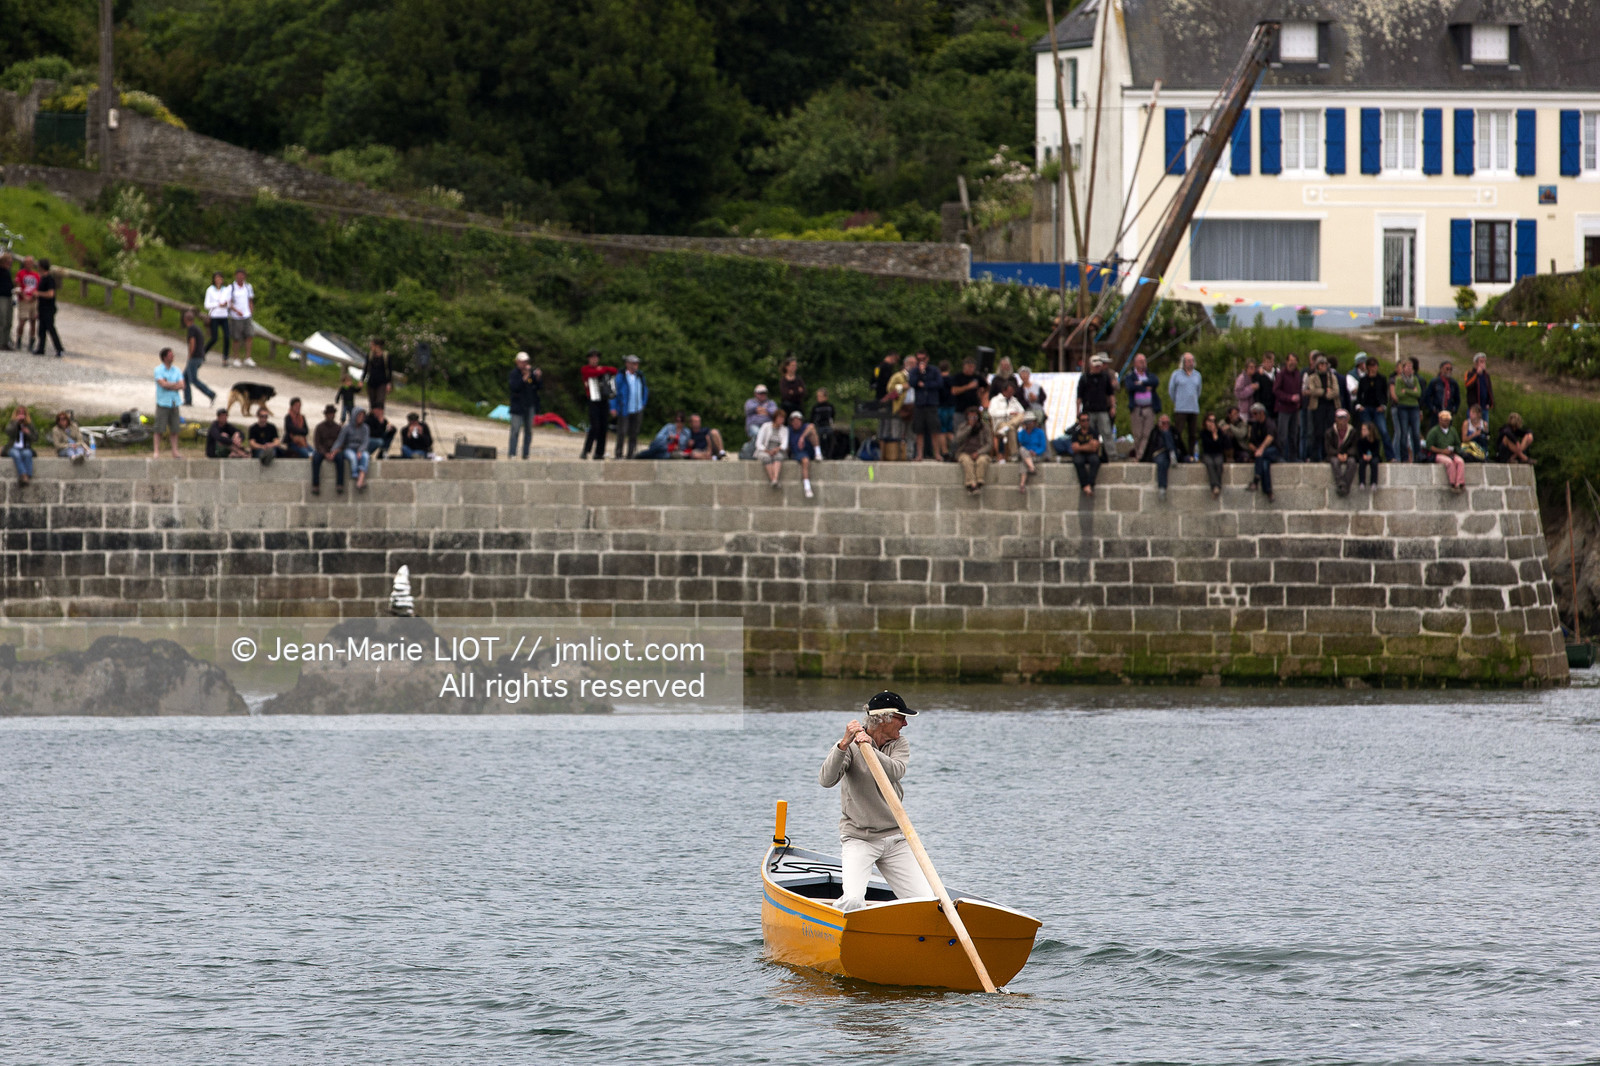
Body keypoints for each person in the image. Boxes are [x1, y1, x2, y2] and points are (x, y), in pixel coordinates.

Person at [817, 692, 933, 913]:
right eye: (901, 718)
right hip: (860, 839)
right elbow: (826, 780)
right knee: (852, 901)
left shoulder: (900, 743)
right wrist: (843, 745)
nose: (906, 723)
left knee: (925, 903)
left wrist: (869, 748)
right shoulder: (850, 747)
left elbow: (896, 771)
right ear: (884, 719)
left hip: (896, 838)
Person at [1353, 356, 1395, 460]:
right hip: (1366, 408)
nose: (1373, 368)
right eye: (1371, 366)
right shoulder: (1363, 380)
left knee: (1383, 431)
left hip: (1377, 409)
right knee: (1366, 431)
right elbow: (1359, 395)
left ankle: (1390, 456)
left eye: (1375, 365)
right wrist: (1359, 406)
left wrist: (1383, 406)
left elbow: (1385, 395)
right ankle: (1364, 454)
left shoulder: (1381, 379)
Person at [1122, 353, 1161, 462]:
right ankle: (1137, 453)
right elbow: (1130, 386)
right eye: (1140, 361)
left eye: (1144, 361)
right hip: (1137, 409)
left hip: (1149, 408)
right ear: (1135, 363)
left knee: (1147, 434)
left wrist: (1140, 383)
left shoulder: (1150, 375)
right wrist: (1145, 386)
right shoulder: (1130, 376)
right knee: (1137, 434)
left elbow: (1155, 382)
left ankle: (1140, 455)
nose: (1143, 363)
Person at [1077, 354, 1117, 459]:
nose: (1098, 367)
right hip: (1088, 410)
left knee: (1107, 432)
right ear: (1090, 365)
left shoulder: (1105, 377)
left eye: (1099, 365)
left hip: (1102, 409)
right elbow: (1079, 396)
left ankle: (1112, 455)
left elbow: (1110, 394)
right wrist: (1078, 411)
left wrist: (1113, 407)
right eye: (1095, 366)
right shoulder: (1084, 378)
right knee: (1090, 433)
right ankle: (1091, 453)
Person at [580, 350, 618, 460]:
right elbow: (591, 374)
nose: (594, 359)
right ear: (589, 359)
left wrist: (602, 369)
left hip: (603, 400)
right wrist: (601, 370)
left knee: (603, 427)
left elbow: (614, 370)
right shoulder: (585, 369)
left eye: (596, 358)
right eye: (592, 358)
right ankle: (586, 450)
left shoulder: (602, 368)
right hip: (593, 400)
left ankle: (599, 452)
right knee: (595, 426)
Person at [907, 351, 943, 462]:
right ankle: (919, 455)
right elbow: (912, 382)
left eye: (923, 359)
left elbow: (939, 384)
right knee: (919, 431)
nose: (921, 361)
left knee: (934, 430)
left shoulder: (934, 370)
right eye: (919, 359)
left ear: (927, 358)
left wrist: (925, 384)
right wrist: (919, 373)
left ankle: (937, 453)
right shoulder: (914, 371)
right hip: (919, 404)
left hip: (931, 404)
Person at [612, 354, 648, 459]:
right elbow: (614, 393)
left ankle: (630, 454)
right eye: (633, 363)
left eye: (636, 364)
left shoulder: (640, 376)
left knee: (634, 433)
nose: (635, 366)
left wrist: (643, 403)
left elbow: (645, 390)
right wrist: (613, 407)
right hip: (625, 409)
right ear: (627, 364)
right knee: (622, 432)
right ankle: (618, 453)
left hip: (637, 408)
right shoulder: (621, 376)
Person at [507, 352, 541, 460]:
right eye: (521, 361)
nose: (524, 364)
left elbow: (538, 387)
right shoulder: (514, 374)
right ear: (517, 362)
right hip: (517, 406)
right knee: (515, 430)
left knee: (528, 430)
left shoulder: (531, 374)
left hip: (529, 405)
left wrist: (538, 377)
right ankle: (512, 453)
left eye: (525, 361)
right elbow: (514, 387)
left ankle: (525, 453)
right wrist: (524, 378)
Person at [1302, 353, 1336, 462]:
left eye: (1325, 364)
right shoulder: (1312, 377)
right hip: (1317, 407)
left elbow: (1336, 391)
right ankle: (1315, 455)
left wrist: (1326, 394)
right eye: (1321, 364)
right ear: (1317, 366)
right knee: (1318, 432)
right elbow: (1312, 390)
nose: (1323, 366)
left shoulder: (1331, 376)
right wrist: (1325, 391)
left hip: (1330, 407)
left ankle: (1328, 454)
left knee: (1329, 432)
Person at [153, 346, 185, 459]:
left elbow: (182, 385)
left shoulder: (177, 370)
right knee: (159, 428)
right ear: (165, 357)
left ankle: (175, 451)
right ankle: (156, 451)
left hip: (174, 402)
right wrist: (174, 385)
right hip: (163, 402)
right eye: (170, 355)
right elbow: (162, 384)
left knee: (175, 429)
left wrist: (169, 384)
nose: (173, 357)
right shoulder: (158, 369)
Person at [1141, 412, 1184, 496]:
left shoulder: (1173, 431)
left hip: (1174, 453)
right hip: (1160, 452)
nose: (1166, 425)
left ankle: (1171, 453)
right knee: (1162, 462)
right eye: (1164, 423)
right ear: (1159, 423)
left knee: (1167, 434)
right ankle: (1162, 487)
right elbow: (1149, 446)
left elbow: (1180, 444)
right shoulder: (1155, 432)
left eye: (1168, 423)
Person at [1167, 351, 1202, 454]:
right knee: (1178, 432)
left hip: (1193, 408)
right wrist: (1177, 401)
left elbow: (1199, 391)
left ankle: (1191, 454)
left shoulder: (1197, 375)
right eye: (1188, 361)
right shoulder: (1176, 374)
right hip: (1180, 408)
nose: (1191, 363)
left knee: (1192, 433)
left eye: (1192, 360)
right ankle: (1178, 452)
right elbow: (1171, 390)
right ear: (1183, 362)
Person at [1390, 357, 1424, 463]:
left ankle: (1418, 456)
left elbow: (1418, 393)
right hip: (1403, 407)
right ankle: (1403, 457)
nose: (1409, 369)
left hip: (1414, 407)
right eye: (1407, 367)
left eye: (1411, 367)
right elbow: (1398, 394)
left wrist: (1407, 391)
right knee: (1403, 432)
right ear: (1403, 368)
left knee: (1415, 432)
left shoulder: (1415, 379)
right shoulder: (1399, 380)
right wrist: (1411, 391)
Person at [952, 406, 992, 494]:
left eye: (975, 417)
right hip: (964, 452)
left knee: (982, 461)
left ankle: (979, 481)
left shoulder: (984, 427)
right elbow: (957, 439)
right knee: (966, 461)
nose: (973, 419)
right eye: (970, 417)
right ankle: (972, 484)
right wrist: (969, 428)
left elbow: (989, 444)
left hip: (980, 452)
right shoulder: (963, 426)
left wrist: (978, 452)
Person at [1271, 353, 1302, 463]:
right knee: (1282, 435)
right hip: (1283, 408)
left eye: (1294, 360)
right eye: (1291, 360)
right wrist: (1289, 398)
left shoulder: (1298, 374)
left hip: (1294, 409)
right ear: (1287, 361)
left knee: (1294, 434)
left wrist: (1299, 400)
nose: (1292, 363)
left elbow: (1299, 389)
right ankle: (1280, 456)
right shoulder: (1281, 374)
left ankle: (1293, 457)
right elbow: (1276, 390)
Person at [1425, 410, 1466, 492]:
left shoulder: (1452, 431)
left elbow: (1458, 444)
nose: (1446, 422)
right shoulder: (1434, 431)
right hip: (1439, 453)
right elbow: (1429, 446)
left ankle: (1460, 482)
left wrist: (1454, 450)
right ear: (1440, 420)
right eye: (1444, 420)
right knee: (1449, 462)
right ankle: (1453, 483)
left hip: (1451, 453)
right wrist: (1442, 451)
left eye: (1448, 420)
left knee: (1460, 461)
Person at [181, 308, 215, 407]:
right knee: (185, 378)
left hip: (194, 357)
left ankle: (210, 394)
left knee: (193, 379)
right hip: (200, 356)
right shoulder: (197, 328)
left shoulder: (191, 329)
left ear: (185, 319)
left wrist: (190, 355)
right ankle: (188, 400)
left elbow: (192, 342)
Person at [987, 379, 1026, 461]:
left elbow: (1022, 412)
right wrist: (1007, 413)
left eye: (1012, 391)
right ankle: (1014, 454)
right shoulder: (995, 400)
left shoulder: (1014, 400)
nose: (1011, 393)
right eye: (1009, 391)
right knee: (1011, 429)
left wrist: (1015, 415)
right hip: (1000, 424)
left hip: (1012, 423)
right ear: (1004, 390)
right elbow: (992, 413)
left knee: (1020, 416)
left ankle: (1007, 427)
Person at [784, 410, 820, 499]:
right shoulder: (789, 430)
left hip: (809, 449)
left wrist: (802, 437)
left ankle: (818, 453)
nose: (796, 423)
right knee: (805, 461)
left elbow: (812, 427)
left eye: (798, 420)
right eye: (794, 421)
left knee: (813, 434)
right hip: (799, 453)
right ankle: (807, 487)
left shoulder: (805, 427)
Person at [1246, 402, 1278, 503]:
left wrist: (1261, 448)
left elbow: (1270, 437)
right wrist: (1255, 449)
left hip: (1272, 450)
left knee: (1262, 455)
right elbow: (1250, 442)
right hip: (1261, 454)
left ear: (1262, 413)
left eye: (1256, 413)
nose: (1254, 416)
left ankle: (1256, 479)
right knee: (1264, 464)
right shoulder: (1255, 425)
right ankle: (1268, 491)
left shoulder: (1269, 423)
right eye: (1253, 414)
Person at [311, 405, 345, 494]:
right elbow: (317, 443)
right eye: (329, 414)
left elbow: (341, 442)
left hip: (334, 451)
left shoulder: (338, 428)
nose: (331, 416)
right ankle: (315, 484)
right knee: (316, 459)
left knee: (340, 459)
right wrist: (325, 453)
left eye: (332, 414)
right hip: (322, 450)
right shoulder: (320, 427)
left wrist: (334, 452)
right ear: (325, 415)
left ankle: (340, 484)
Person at [335, 408, 372, 489]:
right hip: (349, 448)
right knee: (352, 457)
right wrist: (334, 450)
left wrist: (360, 450)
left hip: (360, 449)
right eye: (359, 415)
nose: (361, 418)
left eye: (362, 416)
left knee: (365, 456)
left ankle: (361, 479)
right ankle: (355, 475)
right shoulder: (347, 428)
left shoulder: (365, 428)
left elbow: (365, 441)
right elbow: (340, 440)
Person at [1421, 360, 1461, 435]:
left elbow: (1457, 398)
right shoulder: (1435, 382)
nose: (1449, 371)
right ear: (1441, 369)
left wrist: (1454, 409)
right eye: (1447, 369)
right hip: (1437, 411)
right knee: (1434, 432)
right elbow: (1427, 396)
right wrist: (1432, 408)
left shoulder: (1453, 383)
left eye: (1450, 369)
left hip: (1448, 412)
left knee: (1447, 432)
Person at [1067, 412, 1103, 495]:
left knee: (1095, 461)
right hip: (1080, 454)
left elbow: (1094, 447)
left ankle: (1090, 484)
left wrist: (1081, 447)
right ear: (1079, 422)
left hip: (1091, 454)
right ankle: (1085, 485)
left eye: (1087, 420)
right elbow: (1075, 448)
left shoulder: (1093, 432)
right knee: (1078, 461)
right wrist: (1088, 446)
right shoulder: (1076, 433)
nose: (1086, 422)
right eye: (1083, 420)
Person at [1325, 409, 1358, 497]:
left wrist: (1347, 454)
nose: (1342, 420)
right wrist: (1337, 454)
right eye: (1340, 418)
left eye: (1344, 418)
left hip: (1347, 455)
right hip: (1335, 455)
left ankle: (1343, 485)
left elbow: (1354, 447)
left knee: (1352, 462)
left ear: (1347, 419)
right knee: (1335, 462)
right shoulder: (1330, 432)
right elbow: (1328, 448)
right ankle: (1342, 484)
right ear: (1336, 419)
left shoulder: (1352, 431)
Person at [33, 259, 62, 357]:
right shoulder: (42, 278)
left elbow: (51, 294)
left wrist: (38, 294)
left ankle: (59, 349)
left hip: (48, 308)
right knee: (41, 329)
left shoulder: (49, 279)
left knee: (51, 328)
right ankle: (41, 348)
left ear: (41, 266)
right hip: (42, 307)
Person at [227, 269, 256, 367]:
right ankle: (236, 357)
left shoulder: (248, 287)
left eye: (242, 275)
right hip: (236, 317)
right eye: (239, 275)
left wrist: (251, 311)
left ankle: (248, 357)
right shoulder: (231, 288)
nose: (240, 277)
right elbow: (229, 302)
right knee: (236, 338)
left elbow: (250, 300)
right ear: (236, 276)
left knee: (249, 335)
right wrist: (236, 310)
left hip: (247, 315)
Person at [881, 363, 910, 461]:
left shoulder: (916, 375)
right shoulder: (898, 376)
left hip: (912, 408)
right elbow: (890, 389)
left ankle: (906, 454)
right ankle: (895, 454)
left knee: (908, 432)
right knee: (896, 430)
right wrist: (902, 387)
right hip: (899, 407)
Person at [754, 412, 789, 489]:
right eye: (780, 418)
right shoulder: (765, 426)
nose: (781, 420)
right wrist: (767, 451)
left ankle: (775, 478)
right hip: (765, 450)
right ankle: (772, 479)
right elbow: (758, 443)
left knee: (778, 457)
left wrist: (777, 449)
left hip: (777, 451)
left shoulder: (784, 429)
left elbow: (784, 444)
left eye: (783, 418)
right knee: (766, 458)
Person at [1197, 412, 1228, 497]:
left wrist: (1215, 435)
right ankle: (1215, 486)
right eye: (1210, 421)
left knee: (1218, 463)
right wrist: (1213, 437)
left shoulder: (1219, 432)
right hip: (1208, 453)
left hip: (1217, 453)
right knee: (1210, 464)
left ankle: (1216, 486)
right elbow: (1207, 445)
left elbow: (1220, 445)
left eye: (1213, 421)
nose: (1212, 423)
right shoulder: (1203, 433)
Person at [203, 272, 231, 361]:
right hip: (215, 316)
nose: (218, 280)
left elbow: (229, 302)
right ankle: (203, 351)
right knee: (214, 338)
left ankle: (225, 357)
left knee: (227, 336)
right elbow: (206, 305)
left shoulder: (226, 290)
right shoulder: (210, 290)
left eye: (220, 278)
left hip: (224, 315)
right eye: (217, 278)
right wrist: (218, 304)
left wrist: (226, 304)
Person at [6, 405, 36, 486]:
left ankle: (27, 475)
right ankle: (24, 475)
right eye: (19, 413)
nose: (21, 415)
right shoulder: (12, 423)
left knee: (27, 454)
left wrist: (28, 433)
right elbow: (8, 432)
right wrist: (16, 422)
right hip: (13, 447)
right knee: (16, 454)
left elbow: (35, 438)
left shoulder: (29, 425)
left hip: (25, 447)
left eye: (23, 413)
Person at [1016, 411, 1046, 492]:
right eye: (1027, 422)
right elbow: (1019, 442)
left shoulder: (1040, 432)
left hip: (1036, 455)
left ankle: (1022, 484)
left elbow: (1043, 446)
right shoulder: (1021, 433)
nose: (1029, 424)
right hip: (1026, 454)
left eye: (1031, 421)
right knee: (1022, 450)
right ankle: (1031, 467)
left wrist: (1036, 452)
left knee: (1023, 462)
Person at [13, 255, 39, 352]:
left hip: (33, 301)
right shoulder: (20, 273)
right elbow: (18, 286)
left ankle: (31, 341)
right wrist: (24, 296)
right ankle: (19, 339)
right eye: (27, 262)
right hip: (23, 300)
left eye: (30, 263)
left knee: (33, 321)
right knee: (22, 321)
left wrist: (33, 297)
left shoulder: (36, 275)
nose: (28, 264)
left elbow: (38, 288)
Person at [1464, 353, 1494, 425]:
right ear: (1476, 363)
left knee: (1484, 429)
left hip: (1484, 407)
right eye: (1481, 361)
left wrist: (1489, 402)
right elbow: (1468, 385)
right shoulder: (1470, 373)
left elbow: (1489, 390)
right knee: (1473, 428)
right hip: (1474, 408)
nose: (1483, 364)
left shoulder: (1486, 375)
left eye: (1484, 361)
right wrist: (1477, 374)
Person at [364, 338, 390, 411]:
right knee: (372, 402)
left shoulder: (386, 356)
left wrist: (389, 383)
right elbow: (366, 368)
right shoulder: (369, 355)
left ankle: (379, 418)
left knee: (380, 402)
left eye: (372, 345)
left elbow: (389, 370)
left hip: (382, 382)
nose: (371, 347)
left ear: (377, 346)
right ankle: (372, 418)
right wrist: (362, 380)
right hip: (371, 382)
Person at [1355, 419, 1382, 489]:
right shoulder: (1360, 440)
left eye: (1364, 430)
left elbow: (1376, 451)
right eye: (1362, 430)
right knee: (1361, 462)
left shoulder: (1376, 440)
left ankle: (1374, 482)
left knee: (1374, 463)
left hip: (1373, 456)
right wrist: (1363, 455)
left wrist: (1371, 455)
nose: (1362, 431)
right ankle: (1362, 482)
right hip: (1364, 456)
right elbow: (1359, 450)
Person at [810, 388, 836, 460]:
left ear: (825, 397)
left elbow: (832, 416)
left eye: (820, 396)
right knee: (819, 436)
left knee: (831, 436)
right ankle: (819, 453)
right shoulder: (815, 407)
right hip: (819, 426)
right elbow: (812, 418)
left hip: (827, 426)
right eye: (817, 396)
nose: (818, 398)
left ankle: (829, 454)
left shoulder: (830, 406)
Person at [0, 252, 14, 350]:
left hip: (9, 296)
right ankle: (1, 342)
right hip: (2, 297)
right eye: (8, 262)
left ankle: (6, 341)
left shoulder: (7, 271)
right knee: (2, 320)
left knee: (9, 320)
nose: (10, 264)